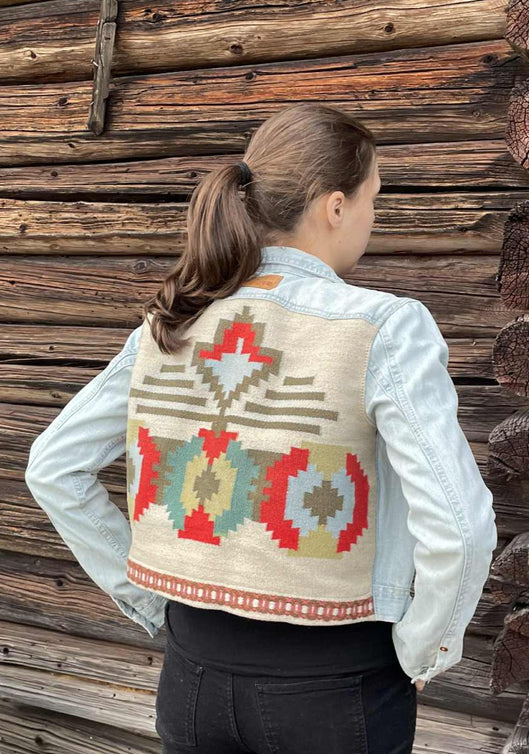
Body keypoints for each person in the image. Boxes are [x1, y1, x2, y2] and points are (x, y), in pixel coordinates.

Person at [25, 102, 498, 754]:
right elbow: (460, 524)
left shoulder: (172, 323)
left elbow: (53, 467)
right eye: (373, 198)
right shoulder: (383, 328)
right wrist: (424, 649)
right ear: (335, 206)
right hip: (337, 687)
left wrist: (151, 602)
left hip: (191, 684)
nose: (372, 217)